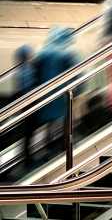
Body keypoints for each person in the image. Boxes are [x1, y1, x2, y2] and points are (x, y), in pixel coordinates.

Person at [35, 27, 80, 157]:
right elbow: (75, 73)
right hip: (63, 93)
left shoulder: (43, 52)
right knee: (67, 119)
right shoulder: (67, 53)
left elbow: (36, 71)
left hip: (46, 92)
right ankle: (64, 145)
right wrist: (78, 89)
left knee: (50, 121)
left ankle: (49, 146)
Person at [14, 45, 37, 167]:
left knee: (25, 133)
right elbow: (29, 87)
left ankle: (25, 158)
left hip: (23, 104)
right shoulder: (29, 70)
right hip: (29, 104)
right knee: (29, 133)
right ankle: (28, 160)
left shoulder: (19, 70)